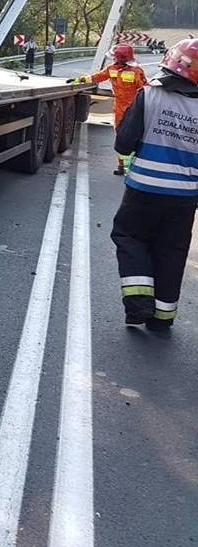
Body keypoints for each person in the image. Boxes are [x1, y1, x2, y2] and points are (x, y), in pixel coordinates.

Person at [110, 38, 198, 333]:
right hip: (185, 198)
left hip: (143, 190)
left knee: (130, 237)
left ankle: (138, 305)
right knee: (172, 251)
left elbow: (124, 142)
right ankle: (162, 318)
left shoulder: (148, 96)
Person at [77, 44, 147, 174]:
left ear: (119, 58)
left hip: (134, 109)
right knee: (120, 136)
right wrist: (82, 79)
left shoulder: (137, 72)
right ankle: (121, 166)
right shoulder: (111, 69)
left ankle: (130, 167)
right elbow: (99, 76)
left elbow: (144, 90)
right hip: (119, 108)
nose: (113, 59)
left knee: (131, 136)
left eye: (114, 57)